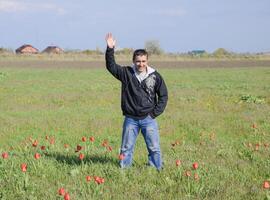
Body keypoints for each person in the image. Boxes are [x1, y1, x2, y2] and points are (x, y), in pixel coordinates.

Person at [105, 33, 168, 170]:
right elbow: (111, 66)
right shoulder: (126, 73)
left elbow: (163, 96)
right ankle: (124, 169)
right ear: (133, 61)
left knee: (154, 147)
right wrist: (110, 49)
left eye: (143, 61)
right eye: (138, 61)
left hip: (148, 118)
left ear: (147, 61)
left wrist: (154, 114)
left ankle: (157, 168)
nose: (141, 64)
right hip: (131, 119)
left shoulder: (155, 76)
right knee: (126, 148)